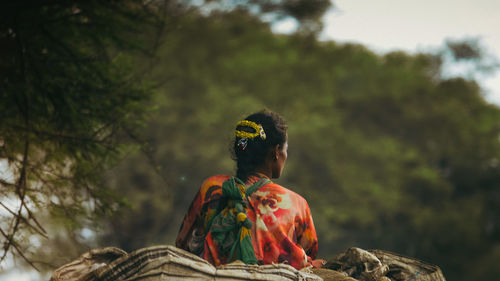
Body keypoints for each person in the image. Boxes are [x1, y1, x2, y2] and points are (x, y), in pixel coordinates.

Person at [176, 110, 322, 269]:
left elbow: (183, 245)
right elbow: (310, 254)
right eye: (285, 149)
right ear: (275, 152)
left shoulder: (211, 188)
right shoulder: (296, 203)